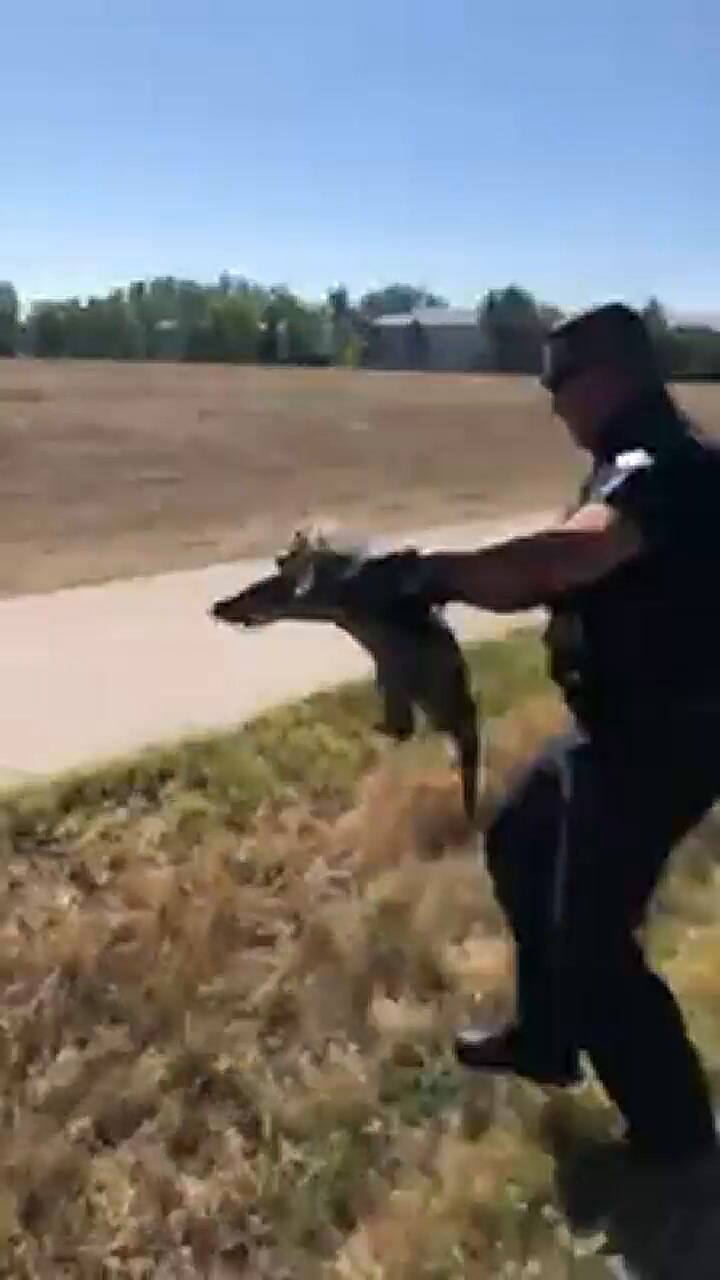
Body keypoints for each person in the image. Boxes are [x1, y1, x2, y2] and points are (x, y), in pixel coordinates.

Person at [341, 301, 720, 1165]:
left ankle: (679, 1139)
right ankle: (549, 1039)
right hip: (619, 728)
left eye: (560, 380)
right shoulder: (633, 458)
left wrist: (431, 573)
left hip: (659, 743)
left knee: (591, 943)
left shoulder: (658, 465)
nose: (550, 401)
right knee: (519, 838)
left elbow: (566, 558)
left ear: (614, 375)